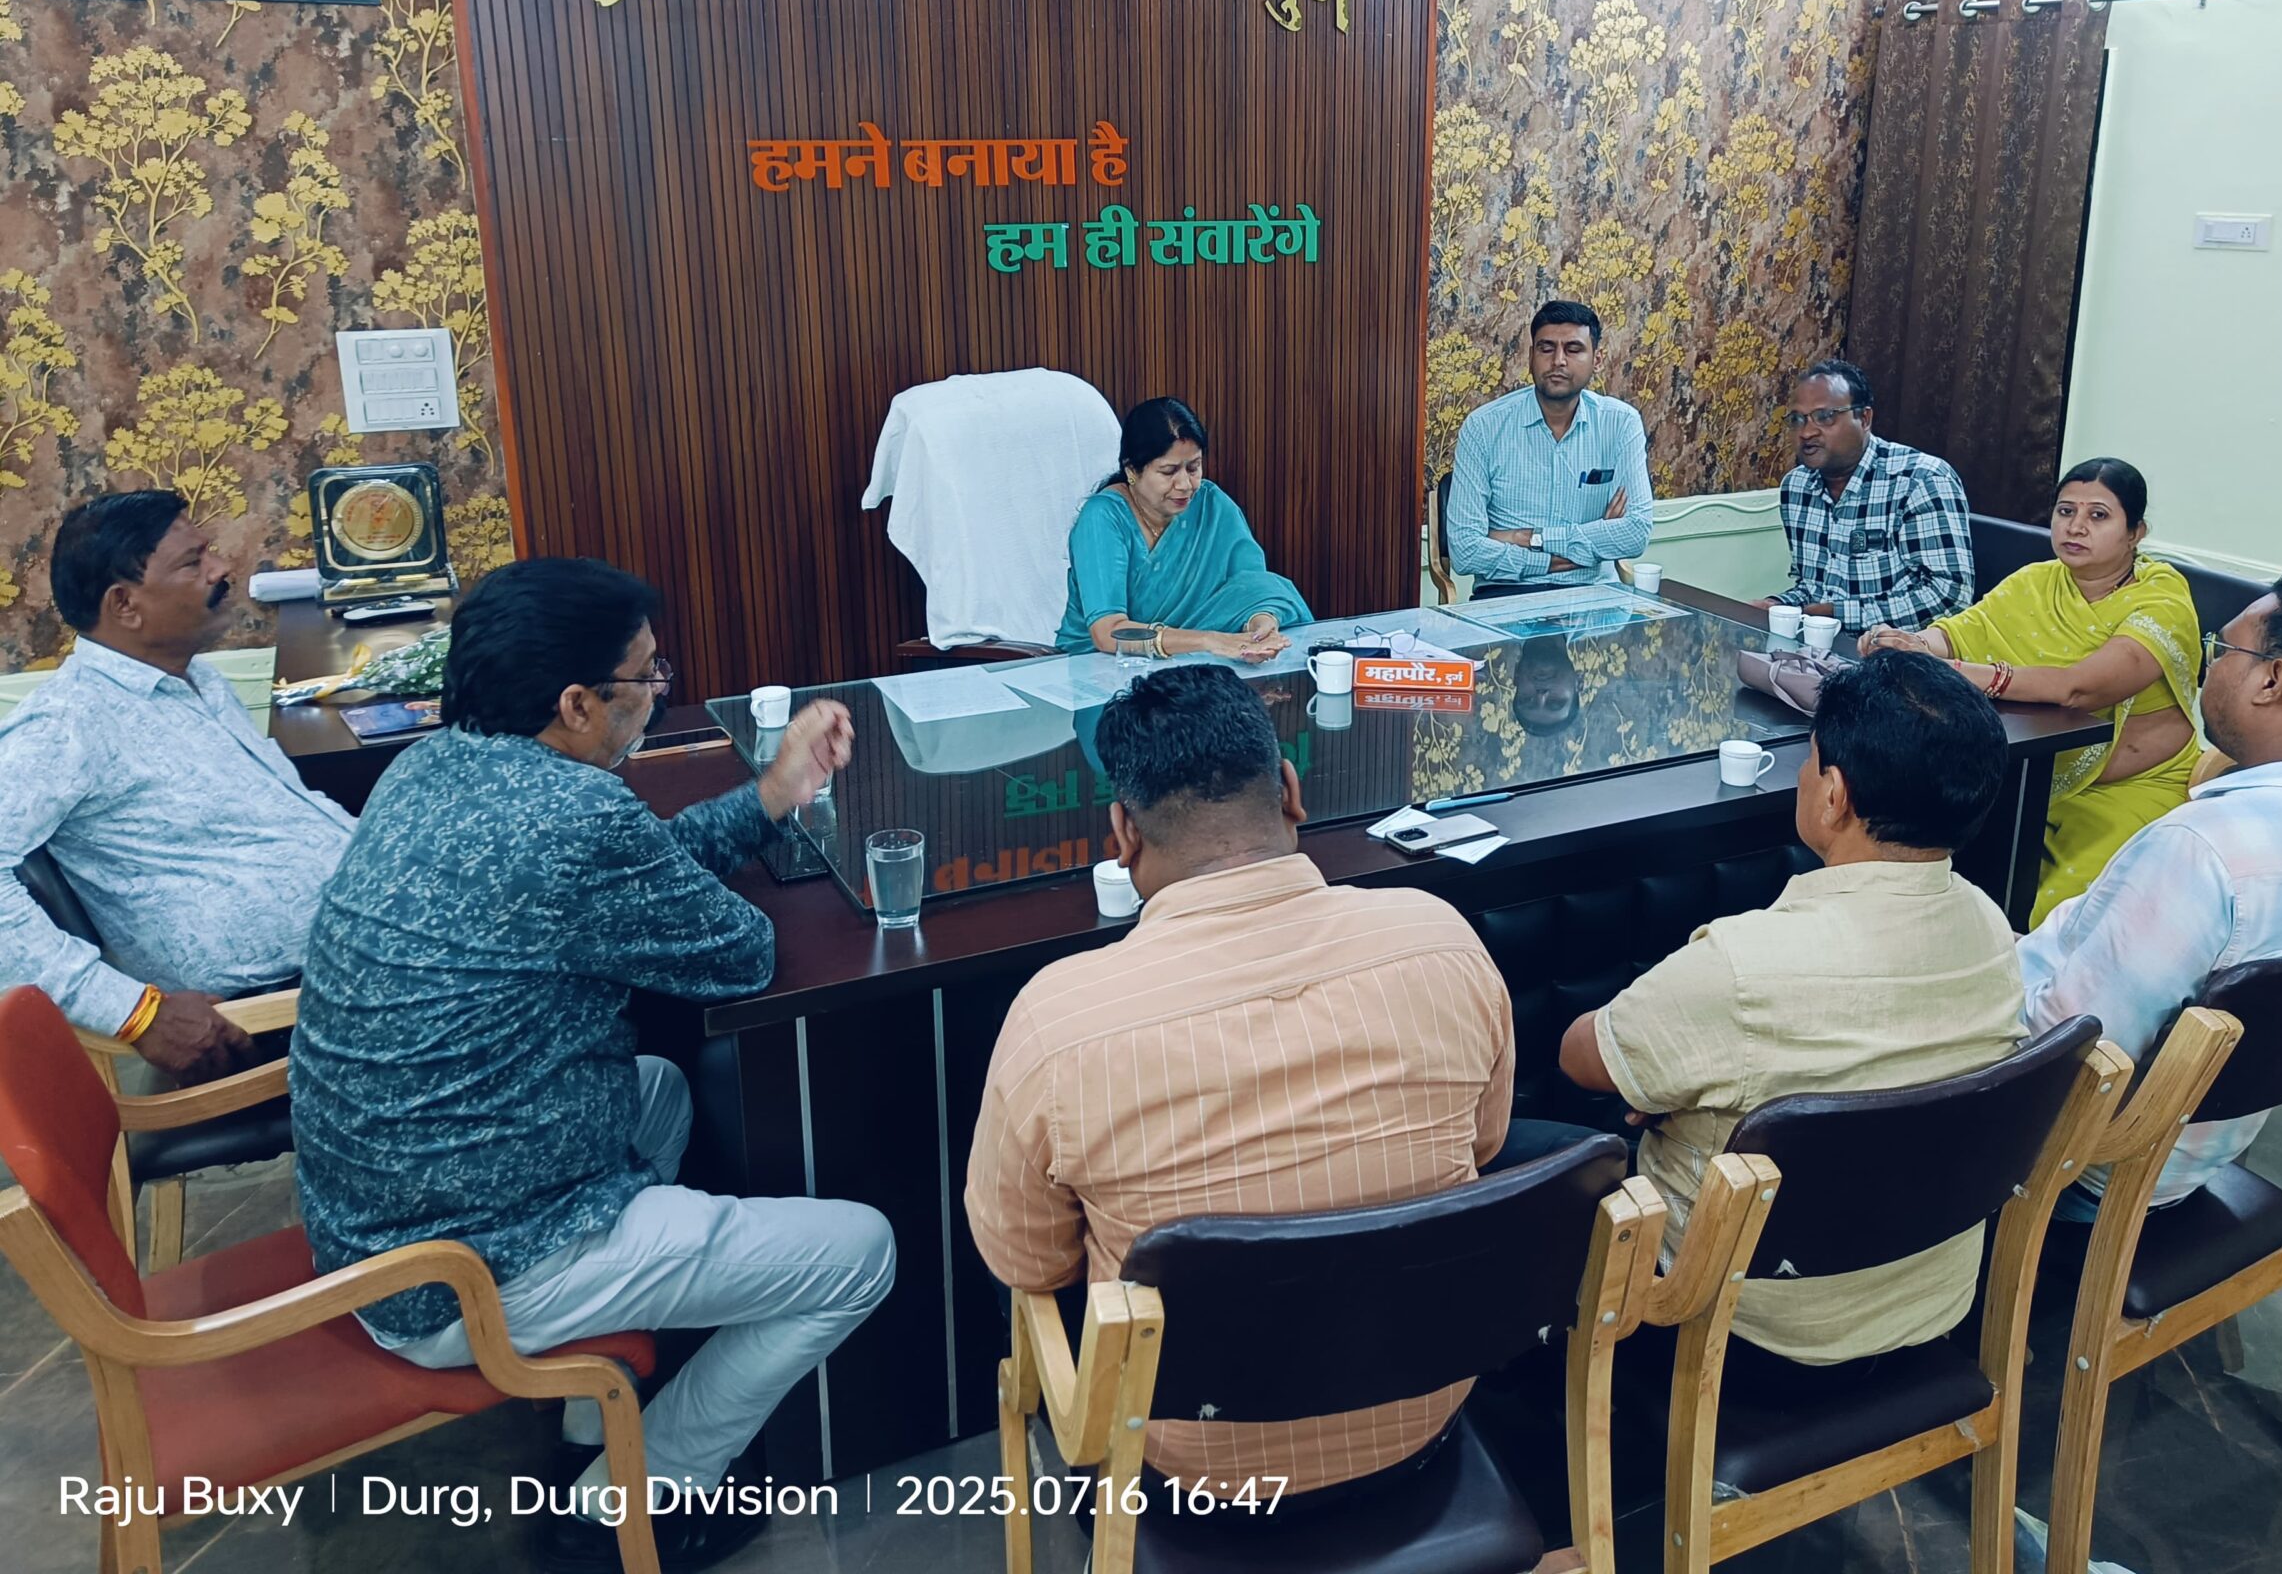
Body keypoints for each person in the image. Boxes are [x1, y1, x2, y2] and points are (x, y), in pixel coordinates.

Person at [290, 559, 893, 1572]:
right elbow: (739, 952)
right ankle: (626, 1504)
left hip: (374, 1223)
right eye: (646, 677)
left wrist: (773, 794)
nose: (657, 693)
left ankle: (590, 1412)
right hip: (467, 1271)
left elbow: (625, 872)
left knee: (661, 1091)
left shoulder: (427, 767)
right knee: (859, 1254)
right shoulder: (575, 816)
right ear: (575, 704)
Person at [965, 664, 1514, 1495]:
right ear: (1292, 791)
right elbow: (1486, 1144)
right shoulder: (1441, 941)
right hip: (1425, 1409)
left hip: (1183, 1462)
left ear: (1123, 833)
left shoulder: (1057, 1022)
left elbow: (1030, 1263)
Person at [1559, 651, 2025, 1361]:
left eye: (1809, 761)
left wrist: (1669, 1086)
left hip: (1743, 1325)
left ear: (1833, 794)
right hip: (1930, 1301)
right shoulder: (1992, 929)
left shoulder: (1740, 967)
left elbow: (1581, 1057)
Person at [2016, 565, 2282, 1213]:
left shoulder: (2204, 850)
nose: (2210, 667)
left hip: (2077, 1168)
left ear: (2273, 679)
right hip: (2191, 1154)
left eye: (2224, 649)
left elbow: (2062, 1054)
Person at [0, 491, 351, 1080]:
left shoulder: (196, 680)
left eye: (208, 552)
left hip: (359, 947)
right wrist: (130, 1011)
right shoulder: (68, 723)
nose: (221, 569)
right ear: (124, 604)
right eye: (193, 562)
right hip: (286, 1007)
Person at [1864, 458, 2201, 927]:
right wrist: (1913, 643)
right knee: (1933, 866)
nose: (2076, 527)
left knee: (2053, 912)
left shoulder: (2162, 600)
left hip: (2132, 788)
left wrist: (1962, 673)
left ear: (2135, 533)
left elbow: (2079, 688)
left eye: (2098, 515)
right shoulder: (2038, 581)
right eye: (2065, 511)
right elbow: (1963, 631)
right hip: (2025, 778)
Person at [1054, 396, 1310, 658]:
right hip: (1099, 664)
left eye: (1193, 468)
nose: (1185, 485)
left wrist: (1260, 623)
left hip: (1202, 663)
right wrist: (1208, 640)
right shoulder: (1103, 517)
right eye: (1168, 472)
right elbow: (1108, 632)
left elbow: (1251, 588)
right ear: (1132, 470)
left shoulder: (1211, 504)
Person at [1445, 300, 1654, 598]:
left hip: (1593, 594)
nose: (1558, 361)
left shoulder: (1620, 423)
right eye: (1546, 349)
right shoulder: (1484, 427)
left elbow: (1635, 534)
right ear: (1531, 357)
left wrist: (1525, 537)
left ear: (1597, 359)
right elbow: (1466, 552)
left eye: (1573, 349)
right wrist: (1582, 544)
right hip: (1507, 593)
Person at [1767, 358, 1971, 629]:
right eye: (1797, 420)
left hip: (1900, 649)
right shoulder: (1796, 487)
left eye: (1825, 416)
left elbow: (1950, 598)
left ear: (1864, 419)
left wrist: (1839, 615)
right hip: (1820, 647)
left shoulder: (1921, 480)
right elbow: (1814, 588)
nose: (1807, 432)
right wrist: (1777, 606)